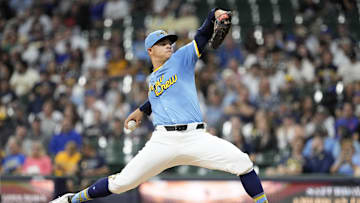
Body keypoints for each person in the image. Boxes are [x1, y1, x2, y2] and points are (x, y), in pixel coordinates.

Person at [51, 8, 268, 203]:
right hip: (164, 141)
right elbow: (157, 98)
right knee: (122, 183)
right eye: (162, 44)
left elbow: (202, 35)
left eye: (169, 43)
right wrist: (141, 110)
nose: (168, 46)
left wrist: (213, 14)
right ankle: (72, 199)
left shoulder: (182, 58)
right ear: (150, 51)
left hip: (195, 137)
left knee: (242, 162)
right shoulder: (153, 79)